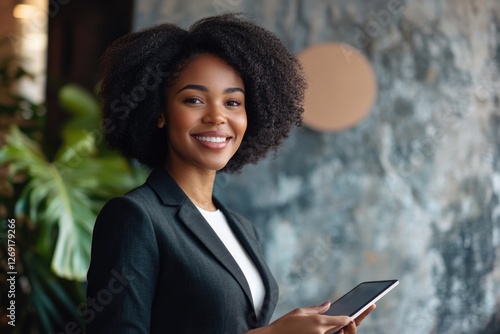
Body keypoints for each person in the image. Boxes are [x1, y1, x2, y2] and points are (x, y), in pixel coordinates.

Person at [86, 13, 375, 334]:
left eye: (233, 102)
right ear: (159, 113)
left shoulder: (240, 227)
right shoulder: (135, 217)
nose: (217, 116)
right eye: (194, 99)